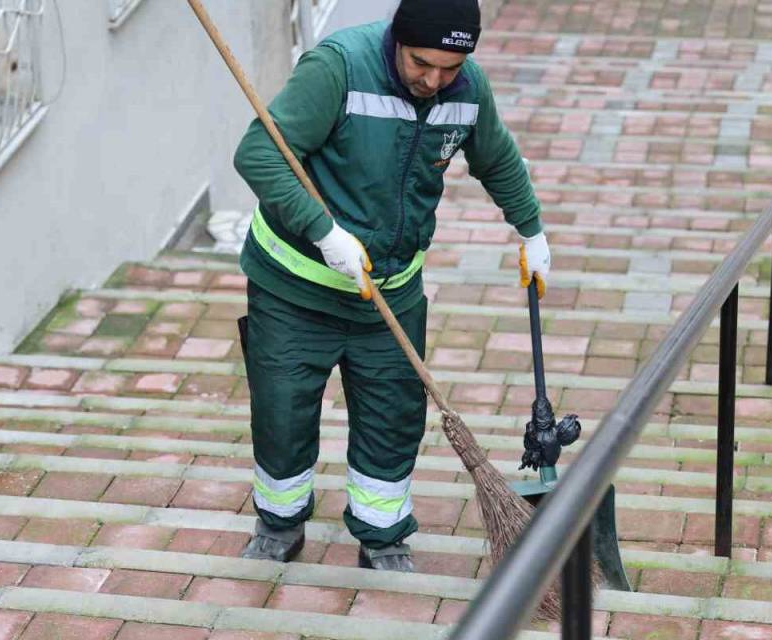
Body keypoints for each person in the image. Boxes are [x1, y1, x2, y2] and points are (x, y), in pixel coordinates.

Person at [232, 0, 551, 572]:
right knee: (283, 412)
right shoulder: (338, 69)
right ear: (396, 40)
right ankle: (279, 523)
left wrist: (531, 229)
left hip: (391, 292)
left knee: (394, 415)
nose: (434, 80)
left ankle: (381, 534)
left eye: (450, 68)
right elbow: (258, 152)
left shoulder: (466, 89)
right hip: (294, 286)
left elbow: (496, 156)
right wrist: (324, 232)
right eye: (421, 63)